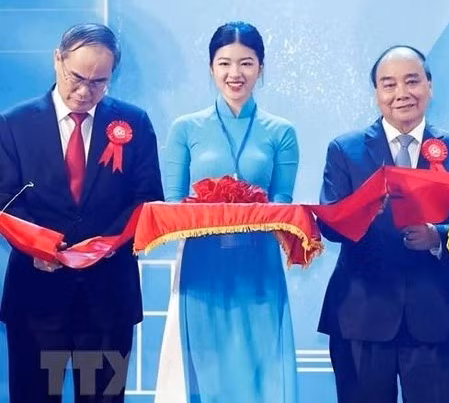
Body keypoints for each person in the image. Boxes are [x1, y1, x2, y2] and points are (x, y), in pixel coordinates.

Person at [0, 23, 164, 402]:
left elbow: (147, 198)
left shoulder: (133, 124)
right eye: (77, 77)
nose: (85, 90)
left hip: (107, 304)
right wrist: (37, 248)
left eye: (99, 82)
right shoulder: (14, 124)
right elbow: (5, 198)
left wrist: (104, 245)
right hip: (37, 304)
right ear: (57, 61)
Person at [317, 45, 449, 403]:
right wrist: (364, 210)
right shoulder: (344, 150)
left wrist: (437, 237)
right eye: (388, 84)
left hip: (436, 316)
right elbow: (329, 225)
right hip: (361, 316)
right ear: (377, 93)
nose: (401, 93)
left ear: (430, 86)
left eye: (412, 81)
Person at [156, 21, 299, 403]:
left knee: (261, 369)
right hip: (201, 266)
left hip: (259, 266)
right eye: (224, 63)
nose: (235, 74)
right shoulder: (185, 129)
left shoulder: (281, 131)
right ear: (210, 68)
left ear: (262, 68)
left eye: (246, 63)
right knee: (204, 369)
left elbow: (283, 202)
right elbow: (172, 206)